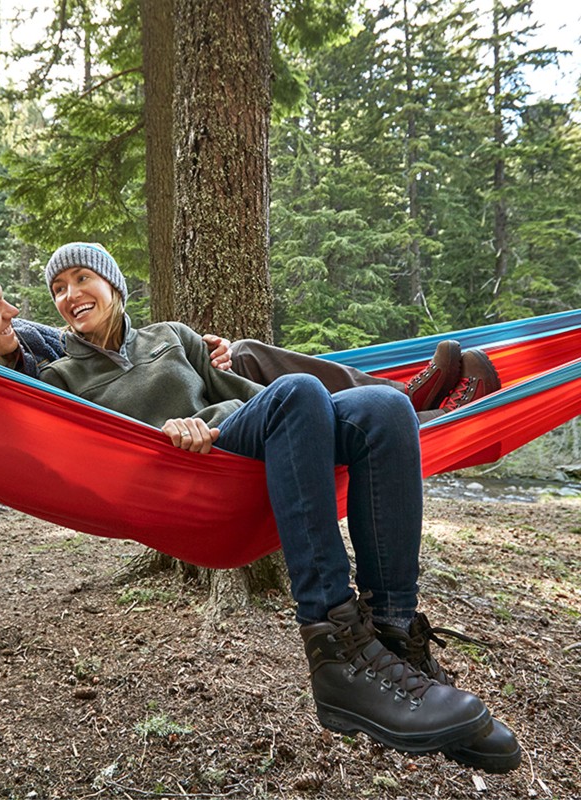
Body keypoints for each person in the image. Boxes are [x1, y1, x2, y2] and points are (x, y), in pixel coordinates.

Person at [37, 242, 520, 773]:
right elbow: (97, 452)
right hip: (181, 465)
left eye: (81, 279)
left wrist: (268, 418)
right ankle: (335, 646)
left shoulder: (170, 337)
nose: (70, 295)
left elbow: (239, 390)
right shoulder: (61, 378)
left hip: (236, 435)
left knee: (383, 408)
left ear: (113, 285)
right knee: (298, 391)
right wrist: (161, 435)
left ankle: (395, 636)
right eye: (58, 289)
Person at [0, 241, 500, 424]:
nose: (15, 312)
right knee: (258, 377)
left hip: (190, 394)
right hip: (176, 429)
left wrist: (177, 345)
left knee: (241, 352)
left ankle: (404, 399)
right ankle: (402, 409)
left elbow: (96, 340)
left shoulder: (17, 338)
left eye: (80, 281)